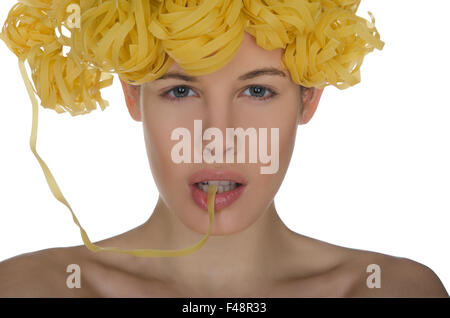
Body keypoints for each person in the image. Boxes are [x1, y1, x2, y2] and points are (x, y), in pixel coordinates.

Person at [0, 0, 448, 297]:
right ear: (133, 96)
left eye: (256, 92)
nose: (217, 136)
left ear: (307, 98)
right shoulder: (31, 288)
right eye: (180, 92)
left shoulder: (395, 291)